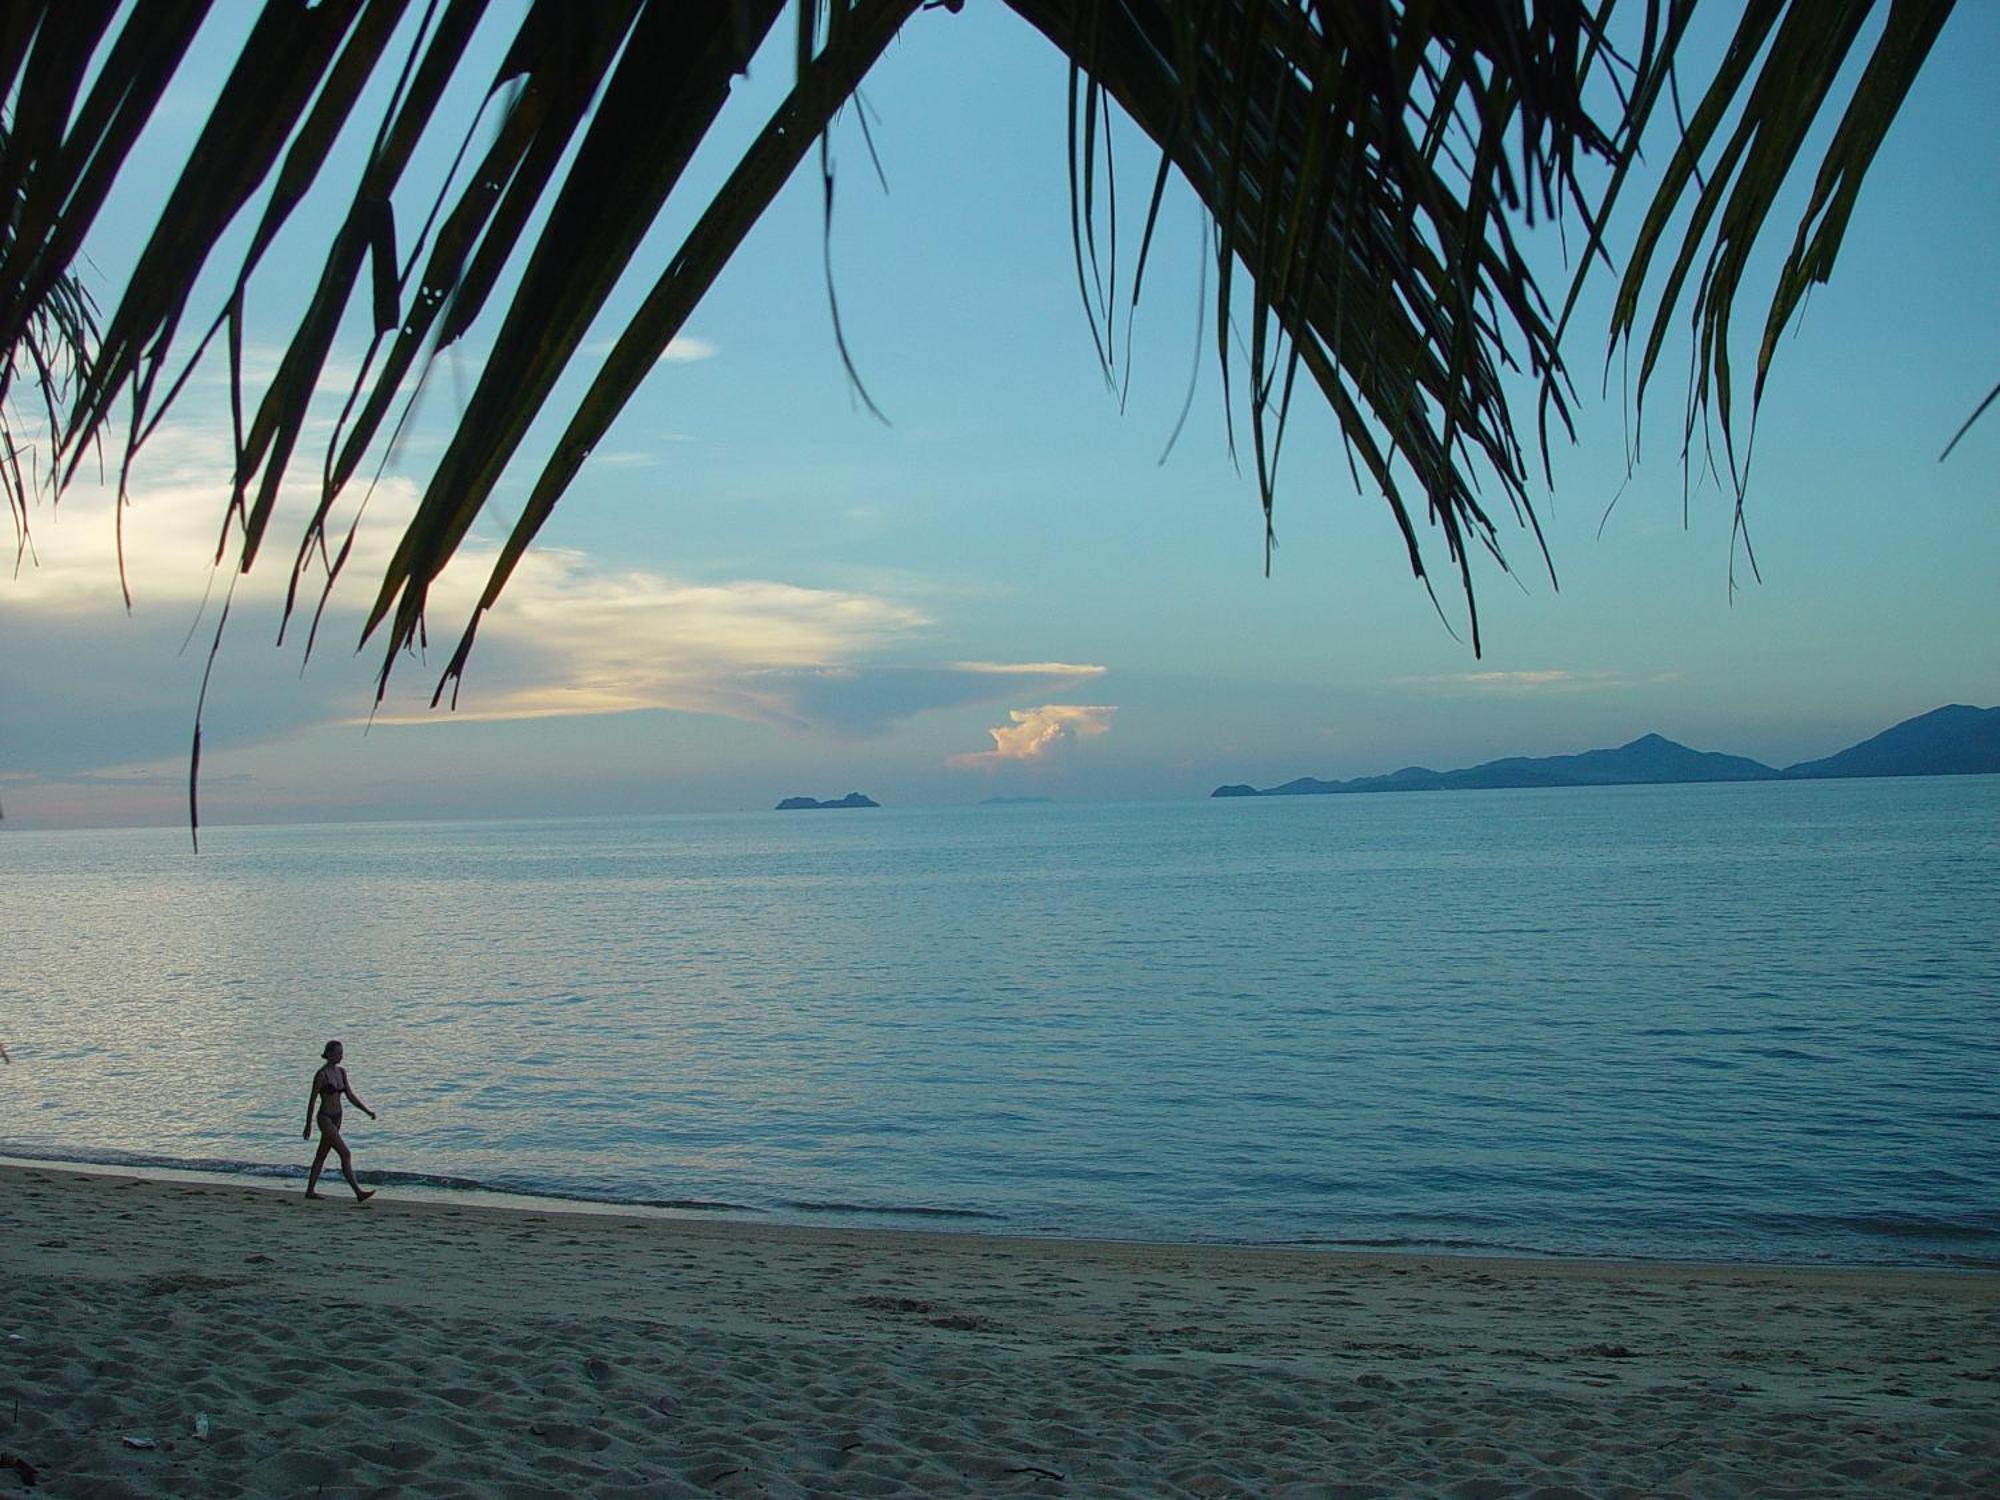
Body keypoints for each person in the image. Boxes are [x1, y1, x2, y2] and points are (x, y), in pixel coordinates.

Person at [303, 1039, 376, 1202]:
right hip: (325, 1118)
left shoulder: (341, 1072)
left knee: (321, 1154)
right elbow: (312, 1100)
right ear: (329, 1054)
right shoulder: (321, 1075)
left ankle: (310, 1190)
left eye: (342, 1053)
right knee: (345, 1153)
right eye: (337, 1053)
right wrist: (308, 1125)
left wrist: (366, 1111)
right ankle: (358, 1192)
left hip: (338, 1117)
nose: (340, 1056)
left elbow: (350, 1096)